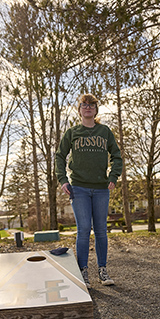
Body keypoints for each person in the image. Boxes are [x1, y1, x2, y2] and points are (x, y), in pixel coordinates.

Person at [55, 94, 122, 288]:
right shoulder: (72, 133)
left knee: (101, 230)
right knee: (84, 229)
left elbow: (116, 156)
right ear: (79, 110)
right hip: (79, 188)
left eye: (91, 105)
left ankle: (102, 270)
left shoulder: (104, 132)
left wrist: (113, 176)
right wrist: (63, 180)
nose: (88, 108)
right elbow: (60, 156)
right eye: (84, 105)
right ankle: (82, 271)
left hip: (101, 188)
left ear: (96, 110)